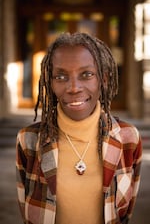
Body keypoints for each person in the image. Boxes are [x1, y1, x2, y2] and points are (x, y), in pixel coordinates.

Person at [16, 32, 142, 224]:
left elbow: (125, 215)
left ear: (104, 80)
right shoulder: (29, 140)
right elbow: (27, 212)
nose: (74, 87)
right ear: (50, 83)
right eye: (60, 76)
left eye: (87, 74)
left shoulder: (128, 138)